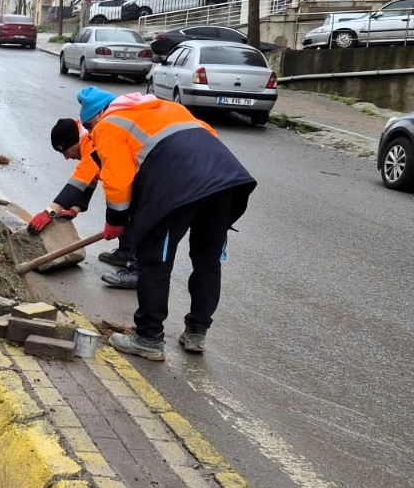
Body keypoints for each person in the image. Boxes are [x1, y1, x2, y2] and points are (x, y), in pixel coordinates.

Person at [77, 86, 257, 361]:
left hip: (176, 189)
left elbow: (118, 179)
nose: (92, 134)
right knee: (207, 262)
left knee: (154, 262)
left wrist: (116, 220)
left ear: (96, 116)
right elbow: (207, 137)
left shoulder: (108, 124)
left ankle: (149, 338)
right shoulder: (166, 107)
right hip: (225, 182)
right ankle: (196, 333)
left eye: (89, 127)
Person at [27, 118, 140, 288]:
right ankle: (126, 252)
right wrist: (75, 209)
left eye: (65, 151)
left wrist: (49, 212)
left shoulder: (91, 144)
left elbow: (79, 181)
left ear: (74, 142)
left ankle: (139, 269)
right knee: (123, 208)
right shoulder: (87, 141)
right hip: (131, 181)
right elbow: (90, 181)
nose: (66, 157)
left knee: (136, 216)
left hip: (143, 179)